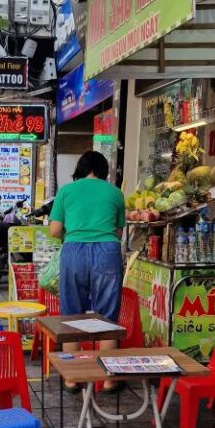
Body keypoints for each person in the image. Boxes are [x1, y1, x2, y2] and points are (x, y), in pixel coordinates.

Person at [48, 150, 126, 392]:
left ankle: (72, 379)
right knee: (107, 316)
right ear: (104, 171)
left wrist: (73, 235)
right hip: (107, 251)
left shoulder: (66, 192)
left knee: (72, 314)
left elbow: (53, 230)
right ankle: (109, 379)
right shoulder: (115, 192)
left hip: (74, 251)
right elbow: (118, 233)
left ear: (80, 169)